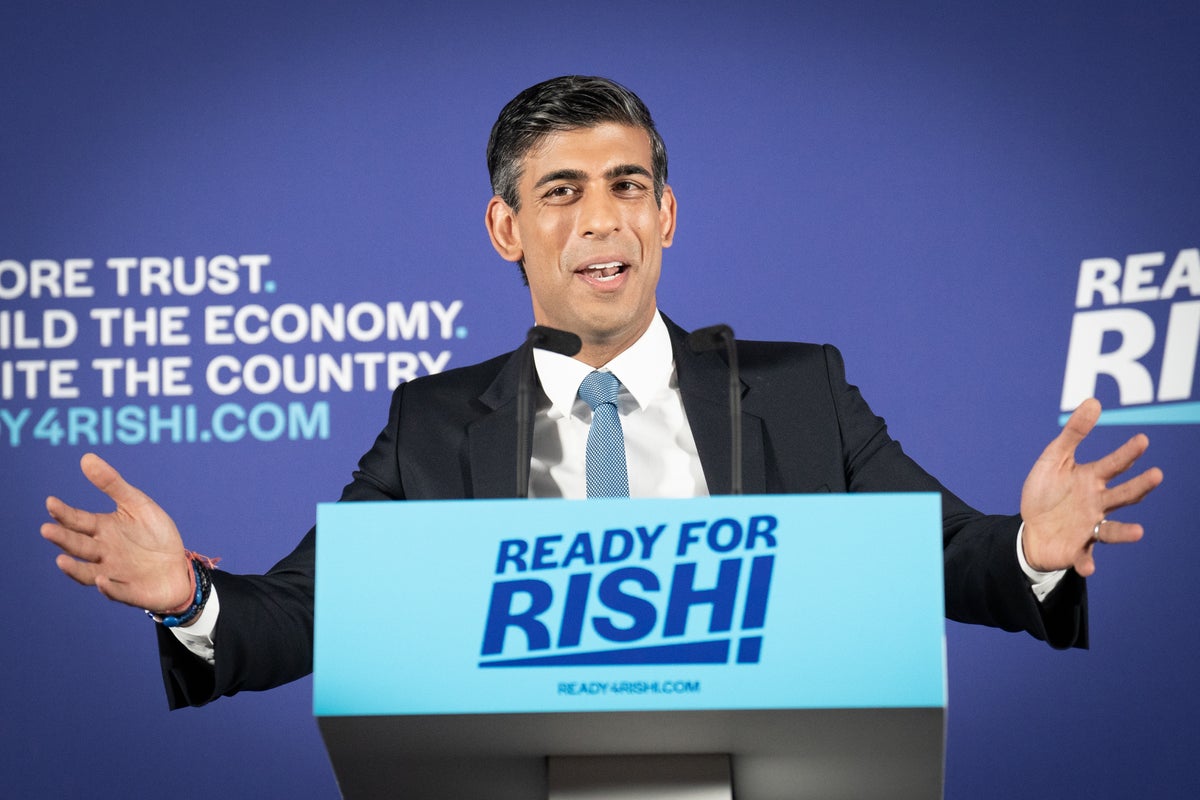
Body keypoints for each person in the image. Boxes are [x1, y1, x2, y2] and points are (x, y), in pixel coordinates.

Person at [41, 76, 1163, 709]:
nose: (600, 220)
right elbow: (310, 612)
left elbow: (942, 554)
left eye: (628, 186)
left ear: (665, 215)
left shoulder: (797, 391)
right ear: (507, 228)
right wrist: (185, 596)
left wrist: (1033, 545)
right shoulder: (436, 424)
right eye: (562, 192)